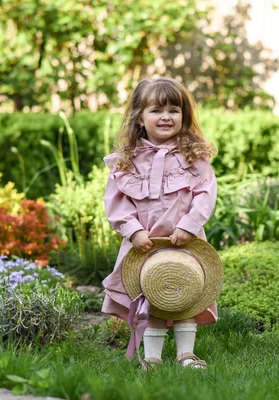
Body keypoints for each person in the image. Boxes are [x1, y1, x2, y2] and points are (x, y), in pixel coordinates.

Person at [102, 77, 218, 368]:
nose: (165, 117)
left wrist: (188, 226)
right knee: (152, 294)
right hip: (145, 244)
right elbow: (116, 204)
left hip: (185, 241)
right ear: (140, 117)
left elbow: (205, 195)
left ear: (184, 116)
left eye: (173, 110)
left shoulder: (194, 158)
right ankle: (152, 358)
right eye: (156, 110)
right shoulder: (126, 161)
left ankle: (186, 354)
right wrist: (133, 231)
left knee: (185, 292)